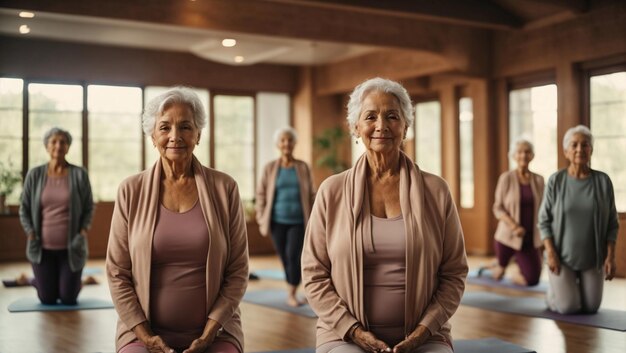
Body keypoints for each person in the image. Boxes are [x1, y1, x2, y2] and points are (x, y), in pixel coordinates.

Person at [302, 78, 468, 353]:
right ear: (356, 127)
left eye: (392, 116)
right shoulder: (331, 191)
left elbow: (454, 273)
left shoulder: (436, 191)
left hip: (425, 334)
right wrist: (354, 331)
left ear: (405, 126)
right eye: (370, 117)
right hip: (344, 335)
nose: (381, 126)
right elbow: (314, 273)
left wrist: (423, 331)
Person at [106, 87, 248, 353]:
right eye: (164, 127)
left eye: (185, 127)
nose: (175, 136)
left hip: (217, 332)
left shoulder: (225, 187)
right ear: (152, 136)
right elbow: (117, 273)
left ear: (198, 134)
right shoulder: (130, 190)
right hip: (141, 333)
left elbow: (238, 271)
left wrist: (208, 334)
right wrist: (145, 336)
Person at [538, 125, 619, 314]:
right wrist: (550, 253)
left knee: (591, 307)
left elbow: (612, 224)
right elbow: (543, 221)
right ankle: (553, 294)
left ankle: (571, 289)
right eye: (574, 145)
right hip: (560, 258)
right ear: (566, 151)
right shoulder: (555, 181)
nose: (579, 149)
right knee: (568, 307)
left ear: (591, 149)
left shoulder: (603, 181)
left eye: (585, 145)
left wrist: (611, 256)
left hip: (593, 258)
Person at [19, 127, 94, 305]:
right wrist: (30, 233)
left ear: (68, 147)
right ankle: (28, 279)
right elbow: (24, 208)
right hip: (41, 249)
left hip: (72, 249)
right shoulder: (35, 174)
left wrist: (83, 232)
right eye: (54, 141)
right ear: (47, 146)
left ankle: (76, 283)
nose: (58, 145)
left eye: (63, 142)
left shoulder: (79, 174)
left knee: (68, 298)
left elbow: (89, 207)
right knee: (47, 298)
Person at [256, 127, 315, 307]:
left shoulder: (303, 167)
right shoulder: (270, 168)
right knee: (284, 256)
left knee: (293, 255)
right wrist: (260, 217)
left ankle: (291, 292)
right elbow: (261, 195)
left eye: (290, 140)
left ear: (294, 143)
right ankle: (296, 287)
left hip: (298, 221)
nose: (286, 143)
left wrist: (316, 218)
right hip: (276, 221)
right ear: (278, 144)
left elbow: (312, 194)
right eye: (283, 140)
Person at [487, 138, 544, 286]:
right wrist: (514, 226)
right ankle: (500, 264)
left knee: (532, 280)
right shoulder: (506, 178)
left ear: (532, 155)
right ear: (513, 155)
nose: (523, 155)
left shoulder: (539, 180)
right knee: (498, 274)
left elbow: (544, 208)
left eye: (527, 152)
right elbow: (497, 208)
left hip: (529, 240)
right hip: (507, 238)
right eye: (519, 152)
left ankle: (515, 267)